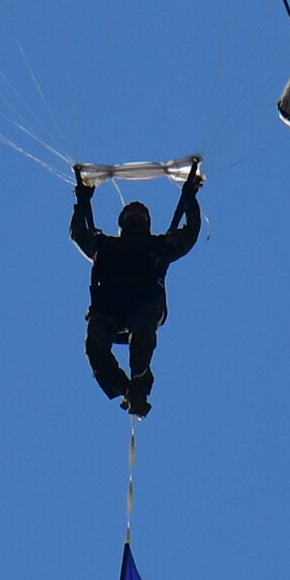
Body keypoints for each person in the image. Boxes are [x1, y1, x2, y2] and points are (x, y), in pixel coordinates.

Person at [70, 163, 203, 415]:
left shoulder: (160, 246)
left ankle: (139, 385)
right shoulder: (104, 246)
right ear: (122, 223)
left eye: (139, 217)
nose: (135, 220)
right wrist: (82, 200)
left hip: (143, 305)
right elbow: (79, 233)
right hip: (110, 308)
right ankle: (126, 389)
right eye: (131, 216)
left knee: (142, 331)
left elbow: (190, 233)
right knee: (95, 346)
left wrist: (190, 198)